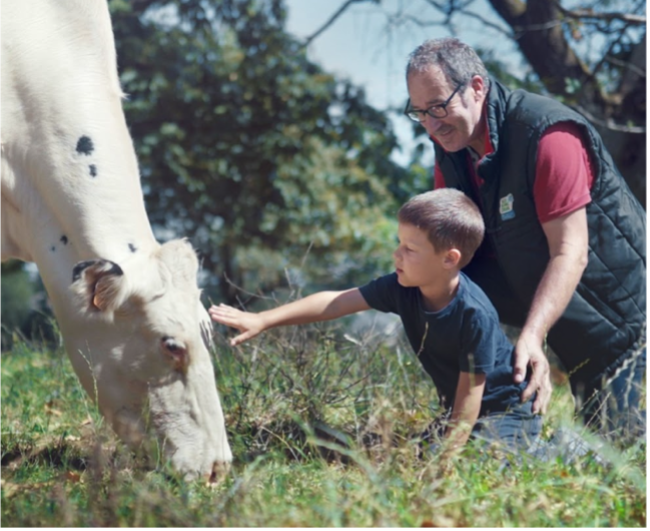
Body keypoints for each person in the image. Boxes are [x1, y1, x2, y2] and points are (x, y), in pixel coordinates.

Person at [404, 37, 647, 438]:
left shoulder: (547, 135)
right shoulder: (450, 146)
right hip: (568, 326)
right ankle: (475, 416)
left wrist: (532, 337)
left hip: (628, 333)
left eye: (438, 107)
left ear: (476, 87)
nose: (431, 124)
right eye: (419, 113)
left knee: (621, 453)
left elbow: (571, 252)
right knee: (427, 282)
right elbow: (451, 252)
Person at [211, 189, 542, 457]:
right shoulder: (401, 288)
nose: (397, 255)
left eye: (410, 249)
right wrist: (262, 319)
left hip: (506, 409)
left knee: (485, 463)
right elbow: (334, 302)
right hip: (458, 409)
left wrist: (447, 460)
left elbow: (470, 398)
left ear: (448, 259)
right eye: (399, 243)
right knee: (419, 455)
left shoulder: (474, 314)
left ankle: (563, 450)